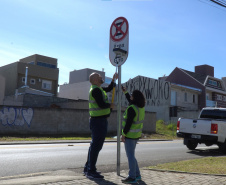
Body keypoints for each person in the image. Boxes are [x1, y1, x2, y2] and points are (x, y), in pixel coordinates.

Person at [84, 72, 118, 179]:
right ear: (94, 80)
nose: (101, 78)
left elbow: (109, 89)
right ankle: (91, 170)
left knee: (94, 146)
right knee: (96, 146)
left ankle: (88, 168)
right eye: (99, 77)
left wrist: (113, 80)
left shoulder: (98, 89)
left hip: (98, 121)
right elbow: (101, 104)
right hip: (98, 122)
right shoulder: (95, 90)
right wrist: (110, 105)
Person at [121, 87, 145, 184]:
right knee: (132, 156)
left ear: (134, 98)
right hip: (136, 135)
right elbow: (129, 100)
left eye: (131, 95)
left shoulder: (132, 108)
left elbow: (128, 124)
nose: (130, 96)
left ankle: (132, 177)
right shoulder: (140, 107)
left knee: (130, 156)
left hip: (130, 135)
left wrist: (123, 134)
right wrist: (125, 92)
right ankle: (137, 174)